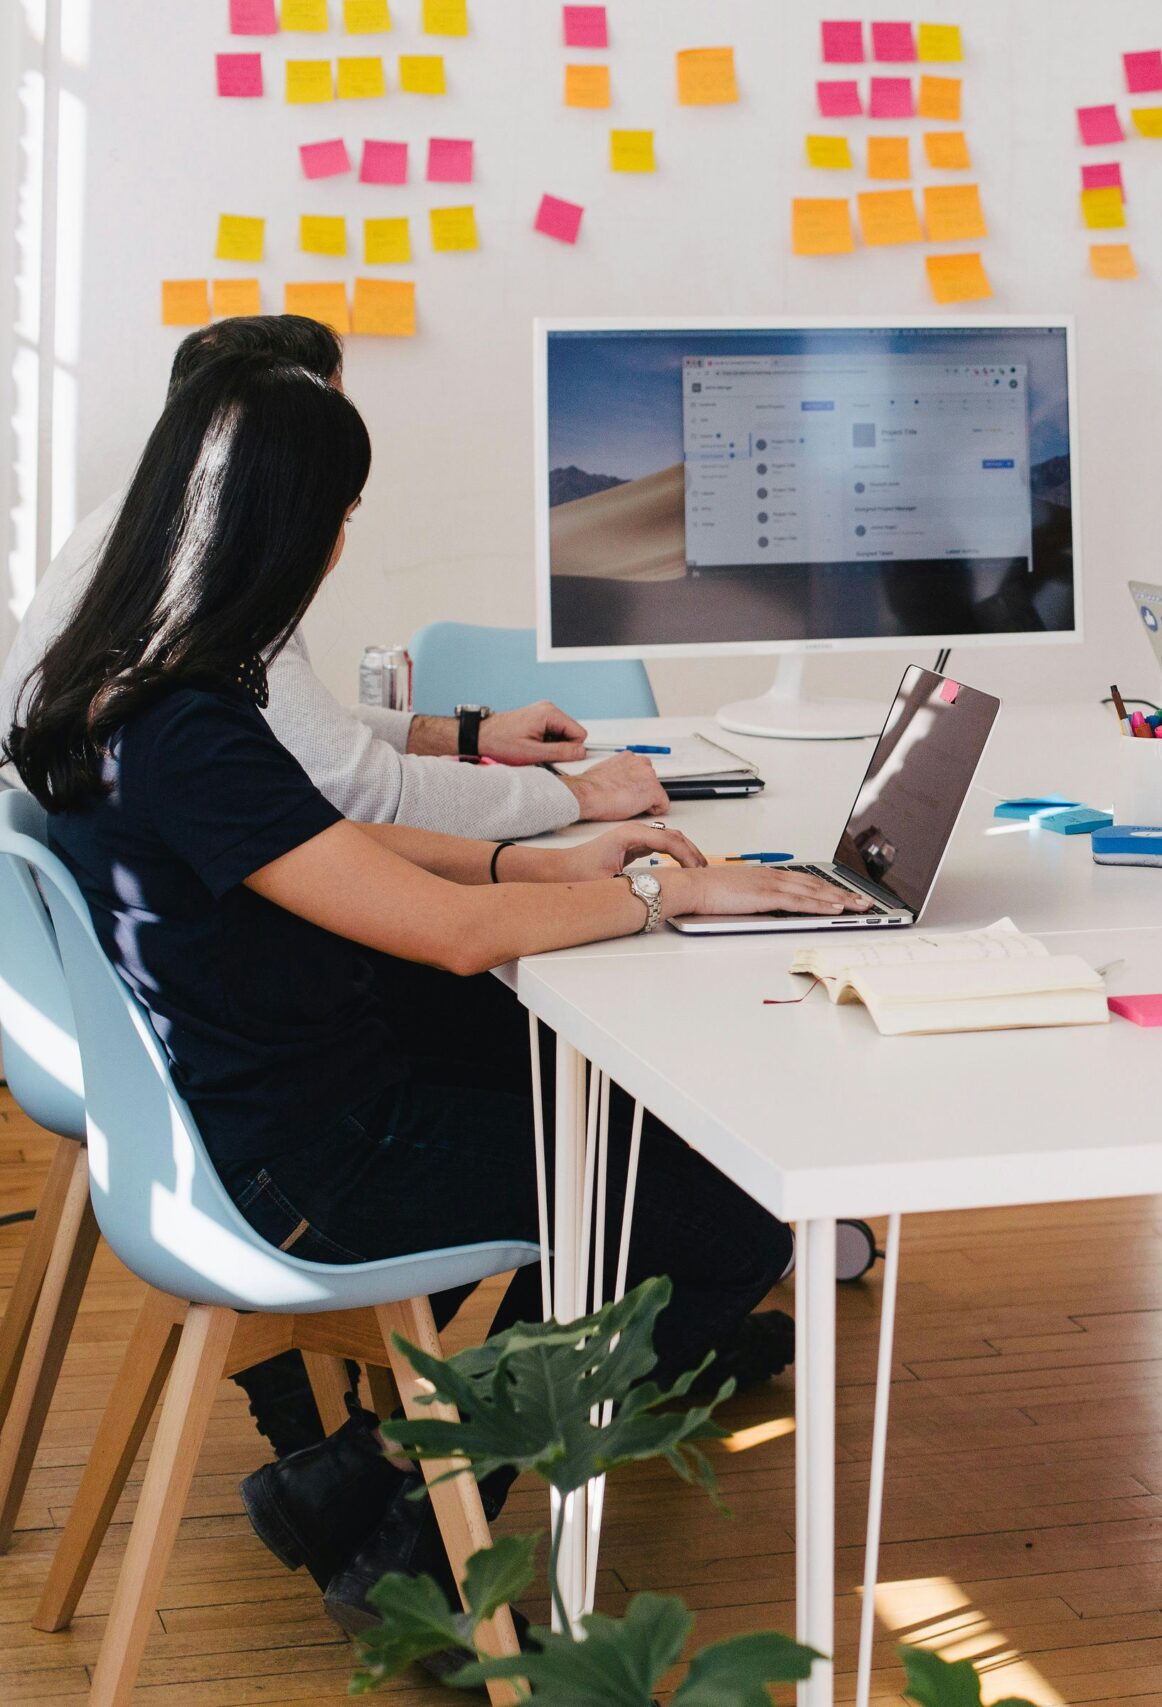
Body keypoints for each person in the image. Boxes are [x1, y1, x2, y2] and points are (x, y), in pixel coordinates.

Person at [7, 356, 862, 1660]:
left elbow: (340, 854)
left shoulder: (117, 687)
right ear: (302, 525)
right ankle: (419, 1554)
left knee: (602, 1111)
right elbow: (455, 936)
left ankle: (353, 1480)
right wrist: (659, 893)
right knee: (714, 1203)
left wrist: (541, 861)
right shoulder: (197, 725)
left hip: (253, 1094)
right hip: (304, 1160)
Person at [0, 314, 667, 841]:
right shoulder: (203, 581)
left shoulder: (136, 535)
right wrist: (576, 796)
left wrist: (469, 736)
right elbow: (364, 794)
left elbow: (286, 729)